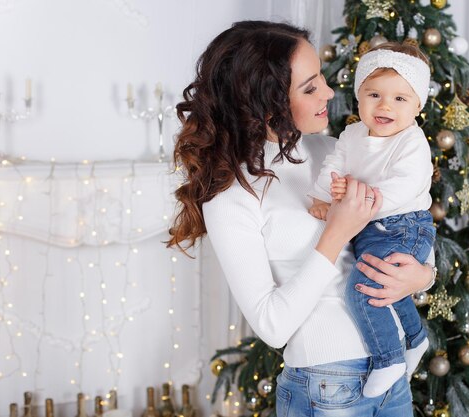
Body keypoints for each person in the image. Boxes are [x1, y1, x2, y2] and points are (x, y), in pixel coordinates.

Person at [167, 21, 436, 417]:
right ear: (267, 100)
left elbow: (401, 225)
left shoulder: (337, 149)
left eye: (322, 79)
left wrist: (424, 276)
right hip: (327, 384)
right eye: (309, 87)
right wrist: (336, 233)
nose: (329, 92)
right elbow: (272, 327)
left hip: (393, 377)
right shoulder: (232, 195)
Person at [308, 42, 435, 398]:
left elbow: (402, 188)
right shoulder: (351, 135)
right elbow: (334, 168)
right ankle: (415, 338)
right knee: (389, 288)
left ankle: (388, 358)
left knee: (363, 290)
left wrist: (356, 199)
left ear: (418, 105)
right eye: (374, 94)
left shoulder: (412, 143)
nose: (384, 106)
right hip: (368, 225)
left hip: (404, 224)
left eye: (400, 99)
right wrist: (322, 196)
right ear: (359, 96)